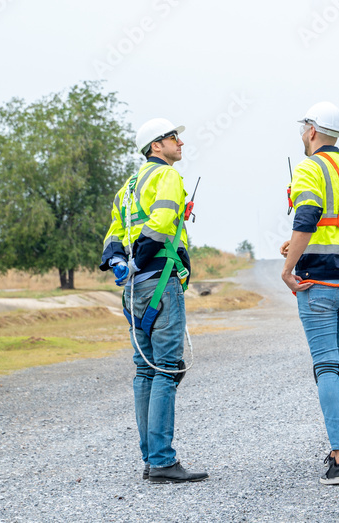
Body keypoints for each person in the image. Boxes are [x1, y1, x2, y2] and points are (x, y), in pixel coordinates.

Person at [100, 118, 208, 484]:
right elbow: (161, 223)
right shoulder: (168, 178)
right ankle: (162, 461)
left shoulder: (128, 186)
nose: (181, 142)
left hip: (133, 288)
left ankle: (152, 459)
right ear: (156, 145)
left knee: (145, 370)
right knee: (166, 368)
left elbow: (114, 232)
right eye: (173, 138)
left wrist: (119, 262)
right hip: (160, 280)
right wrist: (141, 260)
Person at [280, 102, 339, 485]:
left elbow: (307, 217)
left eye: (304, 129)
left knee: (326, 367)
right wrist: (297, 244)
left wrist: (289, 268)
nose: (302, 135)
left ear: (313, 131)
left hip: (317, 286)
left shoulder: (308, 169)